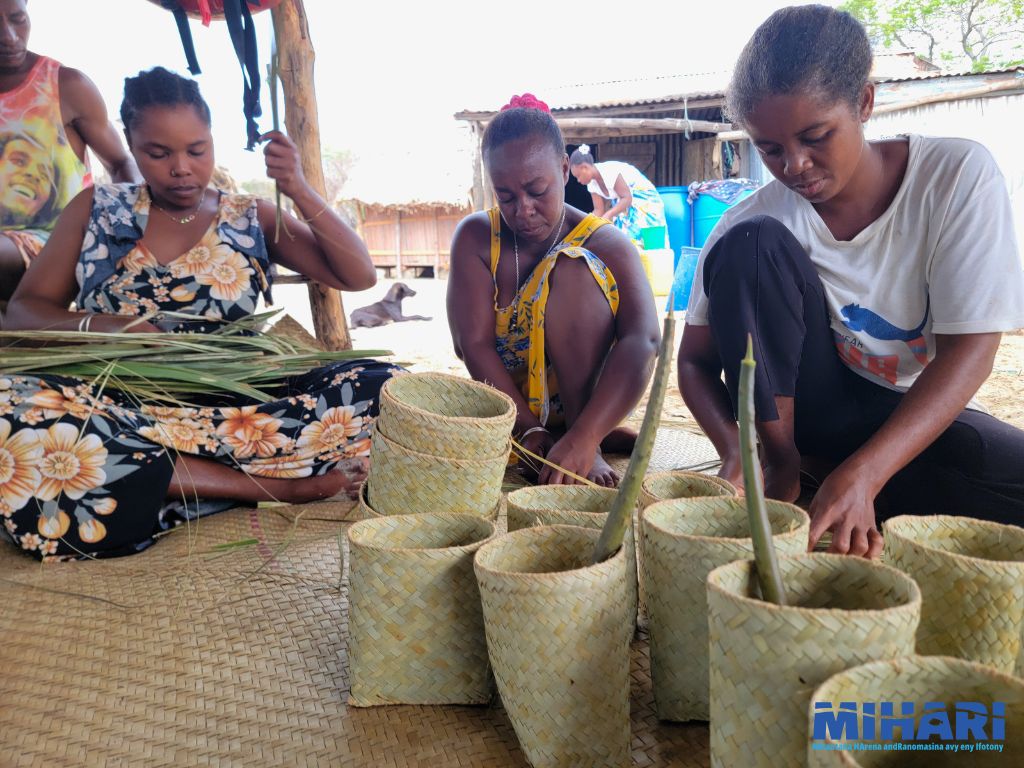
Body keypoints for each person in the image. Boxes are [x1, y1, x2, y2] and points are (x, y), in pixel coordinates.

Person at [2, 67, 400, 560]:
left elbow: (358, 275)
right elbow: (23, 310)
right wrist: (107, 326)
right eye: (158, 152)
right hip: (119, 406)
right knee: (12, 410)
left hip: (239, 411)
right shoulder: (97, 209)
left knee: (385, 385)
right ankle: (274, 486)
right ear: (131, 143)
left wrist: (296, 185)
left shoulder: (248, 215)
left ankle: (169, 480)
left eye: (197, 149)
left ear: (213, 141)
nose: (182, 168)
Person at [678, 5, 1024, 559]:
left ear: (864, 101)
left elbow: (973, 350)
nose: (793, 165)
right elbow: (693, 363)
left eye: (815, 136)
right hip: (804, 425)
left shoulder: (956, 177)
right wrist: (740, 450)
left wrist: (868, 472)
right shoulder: (750, 222)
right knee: (754, 244)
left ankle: (847, 484)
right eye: (769, 148)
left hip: (908, 418)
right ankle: (797, 471)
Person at [448, 94, 660, 487]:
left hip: (589, 405)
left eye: (537, 190)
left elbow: (644, 340)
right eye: (506, 197)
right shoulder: (477, 238)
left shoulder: (606, 243)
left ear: (564, 170)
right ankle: (548, 435)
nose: (523, 209)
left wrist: (586, 436)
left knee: (574, 267)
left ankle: (587, 434)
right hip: (510, 408)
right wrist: (527, 431)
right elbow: (471, 344)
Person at [0, 0, 139, 303]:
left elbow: (120, 163)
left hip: (58, 244)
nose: (9, 36)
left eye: (18, 19)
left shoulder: (66, 86)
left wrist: (130, 231)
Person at [568, 144, 668, 252]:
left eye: (578, 176)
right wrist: (586, 227)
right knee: (627, 242)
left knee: (650, 243)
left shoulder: (609, 171)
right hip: (625, 204)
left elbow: (627, 198)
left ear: (585, 168)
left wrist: (608, 214)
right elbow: (598, 210)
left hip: (644, 200)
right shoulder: (592, 184)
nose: (578, 180)